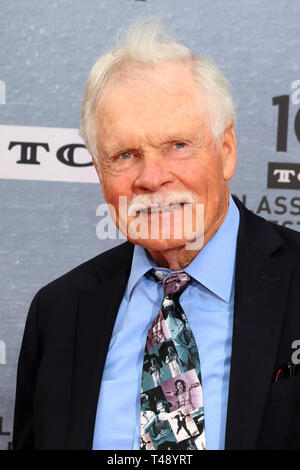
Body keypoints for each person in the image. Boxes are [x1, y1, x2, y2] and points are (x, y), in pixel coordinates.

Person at [13, 18, 300, 450]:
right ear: (99, 172)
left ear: (226, 151)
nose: (152, 178)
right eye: (125, 155)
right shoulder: (57, 313)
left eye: (177, 146)